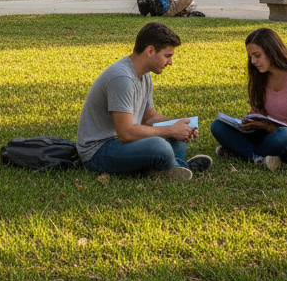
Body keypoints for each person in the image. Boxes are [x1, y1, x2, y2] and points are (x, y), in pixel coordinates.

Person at [76, 21, 212, 180]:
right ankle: (175, 166)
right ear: (150, 51)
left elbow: (149, 117)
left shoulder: (144, 74)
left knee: (176, 134)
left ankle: (170, 168)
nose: (170, 62)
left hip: (124, 144)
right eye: (167, 56)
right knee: (160, 146)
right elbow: (125, 133)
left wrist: (179, 124)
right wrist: (170, 130)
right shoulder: (122, 78)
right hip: (99, 152)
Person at [210, 27, 287, 170]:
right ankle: (260, 158)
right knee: (218, 126)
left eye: (257, 55)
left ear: (272, 52)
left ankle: (246, 153)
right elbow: (258, 110)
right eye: (251, 56)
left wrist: (270, 127)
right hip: (268, 134)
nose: (253, 61)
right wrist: (248, 122)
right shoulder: (261, 76)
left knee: (282, 135)